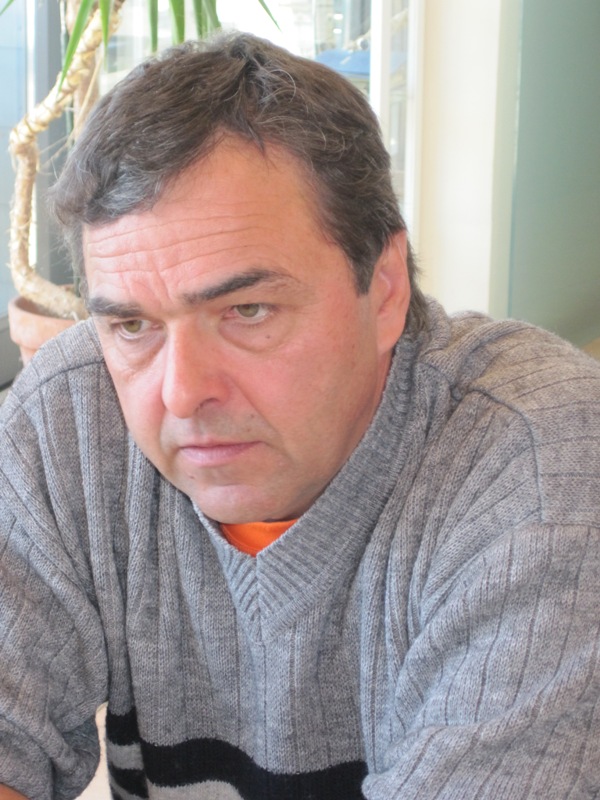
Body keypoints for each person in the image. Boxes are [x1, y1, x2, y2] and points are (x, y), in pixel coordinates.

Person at [1, 32, 599, 800]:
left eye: (247, 310)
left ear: (384, 289)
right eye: (132, 325)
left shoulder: (543, 474)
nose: (181, 394)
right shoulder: (73, 420)